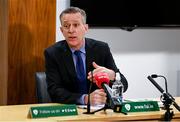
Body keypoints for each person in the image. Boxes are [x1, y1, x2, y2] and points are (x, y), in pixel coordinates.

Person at [44, 7, 128, 105]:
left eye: (76, 25)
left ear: (85, 28)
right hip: (69, 110)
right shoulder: (53, 53)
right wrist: (85, 99)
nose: (71, 30)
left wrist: (112, 75)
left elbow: (124, 85)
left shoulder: (101, 49)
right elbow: (54, 91)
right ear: (62, 30)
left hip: (99, 111)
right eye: (66, 26)